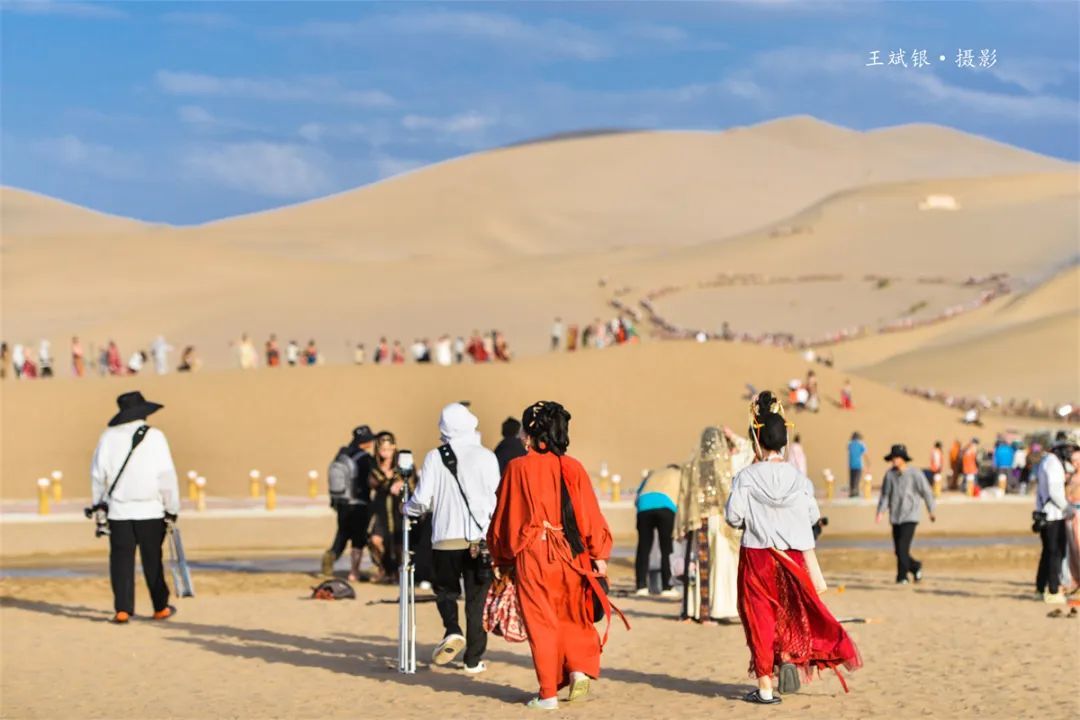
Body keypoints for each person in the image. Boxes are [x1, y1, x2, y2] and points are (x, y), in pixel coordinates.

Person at [725, 392, 861, 705]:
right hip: (793, 556)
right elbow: (812, 517)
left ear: (758, 440)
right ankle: (787, 655)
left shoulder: (745, 478)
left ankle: (765, 687)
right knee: (791, 612)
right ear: (784, 440)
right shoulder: (799, 479)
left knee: (759, 616)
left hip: (758, 554)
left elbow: (733, 517)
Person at [488, 401, 619, 708]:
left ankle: (547, 693)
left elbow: (504, 518)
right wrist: (599, 553)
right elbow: (589, 513)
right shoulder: (571, 466)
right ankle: (577, 669)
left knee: (541, 622)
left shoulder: (517, 468)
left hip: (532, 553)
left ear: (531, 433)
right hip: (572, 553)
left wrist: (501, 558)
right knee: (572, 613)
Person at [404, 403, 499, 674]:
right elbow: (495, 498)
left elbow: (421, 500)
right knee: (477, 600)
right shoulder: (487, 456)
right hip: (479, 540)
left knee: (446, 591)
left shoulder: (436, 456)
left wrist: (406, 508)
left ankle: (452, 629)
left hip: (445, 538)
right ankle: (473, 659)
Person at [90, 391, 180, 624]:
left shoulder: (107, 437)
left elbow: (98, 476)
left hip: (119, 511)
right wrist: (172, 508)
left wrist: (98, 506)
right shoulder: (156, 437)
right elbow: (166, 477)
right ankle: (160, 606)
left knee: (120, 560)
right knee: (153, 560)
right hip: (150, 509)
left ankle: (122, 609)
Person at [675, 426, 753, 622]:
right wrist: (732, 435)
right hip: (717, 520)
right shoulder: (725, 464)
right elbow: (750, 449)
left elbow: (684, 496)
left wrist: (683, 524)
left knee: (698, 564)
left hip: (696, 520)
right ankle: (715, 609)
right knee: (720, 563)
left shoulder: (691, 466)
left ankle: (696, 610)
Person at [875, 444, 936, 584]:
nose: (894, 460)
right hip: (896, 517)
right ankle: (915, 567)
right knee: (898, 551)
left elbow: (926, 492)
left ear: (903, 458)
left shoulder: (915, 474)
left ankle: (902, 576)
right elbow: (885, 495)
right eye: (893, 458)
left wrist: (931, 510)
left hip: (911, 516)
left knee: (903, 547)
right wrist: (880, 511)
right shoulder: (889, 475)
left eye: (897, 457)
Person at [321, 426, 376, 579]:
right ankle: (354, 572)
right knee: (358, 537)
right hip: (359, 503)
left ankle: (330, 557)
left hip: (341, 502)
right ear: (365, 442)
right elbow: (371, 480)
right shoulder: (364, 458)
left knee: (343, 533)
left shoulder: (342, 454)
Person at [367, 431, 408, 583]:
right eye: (381, 449)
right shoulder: (373, 464)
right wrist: (392, 482)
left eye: (388, 449)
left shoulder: (403, 463)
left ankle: (398, 572)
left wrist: (401, 484)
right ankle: (383, 568)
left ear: (394, 447)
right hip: (380, 509)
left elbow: (411, 482)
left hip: (399, 509)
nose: (384, 452)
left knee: (399, 544)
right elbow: (375, 481)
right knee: (375, 540)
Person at [634, 464, 680, 597]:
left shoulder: (653, 473)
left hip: (643, 506)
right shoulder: (679, 474)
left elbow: (637, 496)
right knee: (666, 547)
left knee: (643, 547)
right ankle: (667, 587)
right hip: (666, 506)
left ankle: (641, 586)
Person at [1035, 433, 1071, 603]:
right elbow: (1055, 490)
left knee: (1048, 553)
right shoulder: (1053, 464)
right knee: (1055, 552)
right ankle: (1053, 590)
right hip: (1053, 514)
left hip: (1045, 513)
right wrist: (1067, 508)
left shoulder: (1046, 461)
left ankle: (1040, 588)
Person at [847, 432, 868, 498]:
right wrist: (868, 462)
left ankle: (852, 492)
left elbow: (849, 451)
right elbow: (864, 454)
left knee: (852, 479)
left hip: (851, 464)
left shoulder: (850, 444)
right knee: (857, 479)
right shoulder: (861, 444)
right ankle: (856, 492)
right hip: (859, 464)